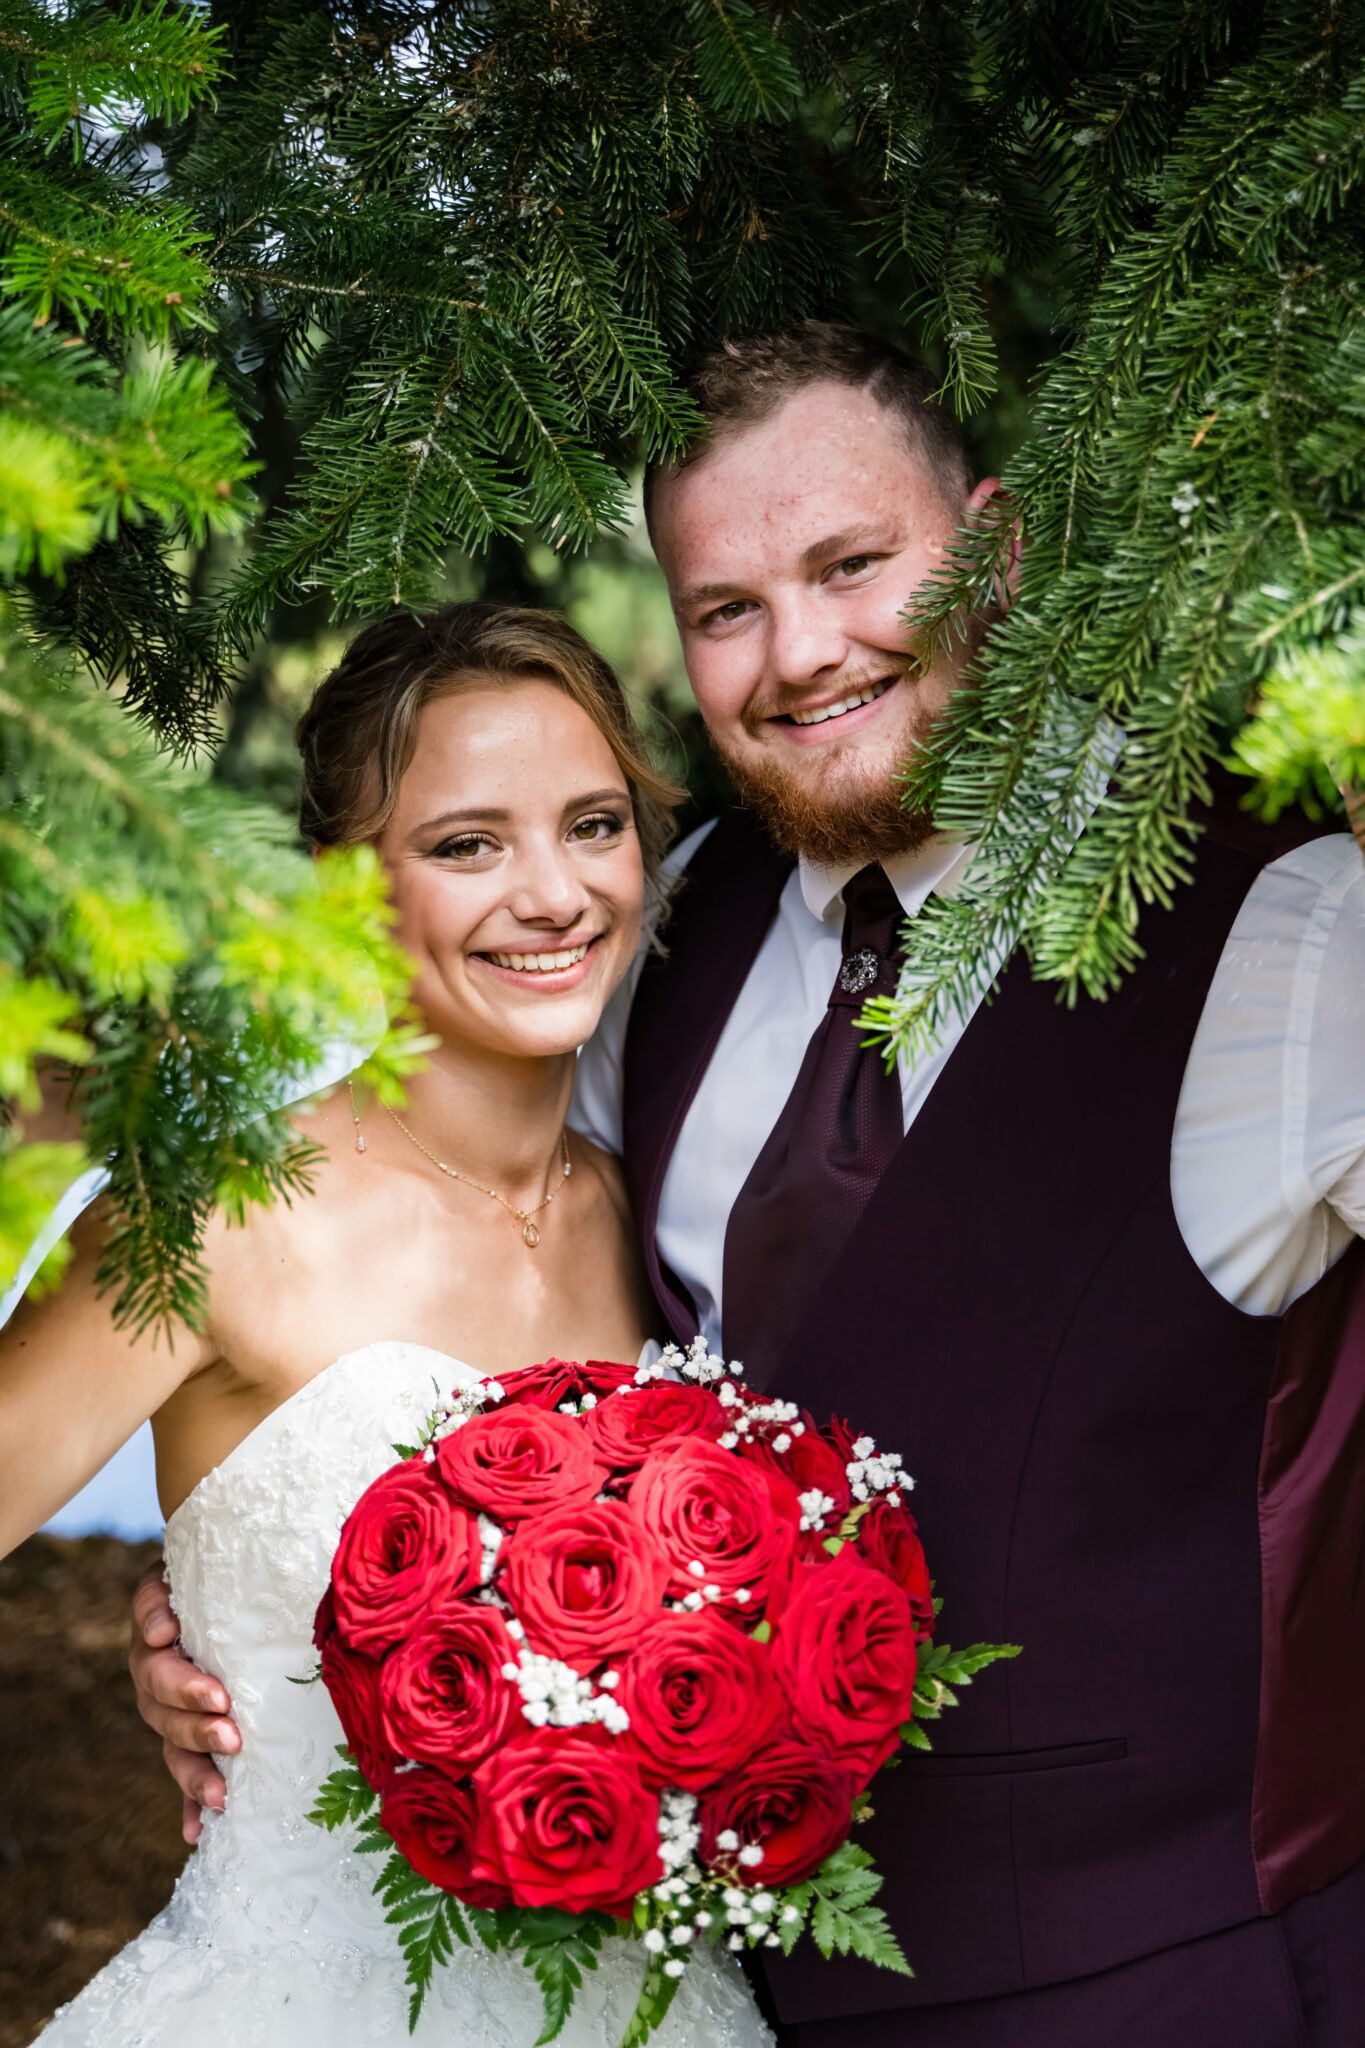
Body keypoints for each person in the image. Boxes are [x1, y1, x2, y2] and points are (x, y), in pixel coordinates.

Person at [132, 323, 1365, 2046]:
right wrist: (230, 1605)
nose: (799, 654)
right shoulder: (669, 922)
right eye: (726, 609)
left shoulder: (1290, 928)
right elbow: (500, 1348)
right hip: (707, 1982)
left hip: (1178, 1975)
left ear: (994, 552)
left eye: (855, 568)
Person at [3, 603, 771, 2047]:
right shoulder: (226, 1212)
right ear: (344, 890)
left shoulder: (651, 1212)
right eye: (467, 843)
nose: (553, 895)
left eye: (594, 824)